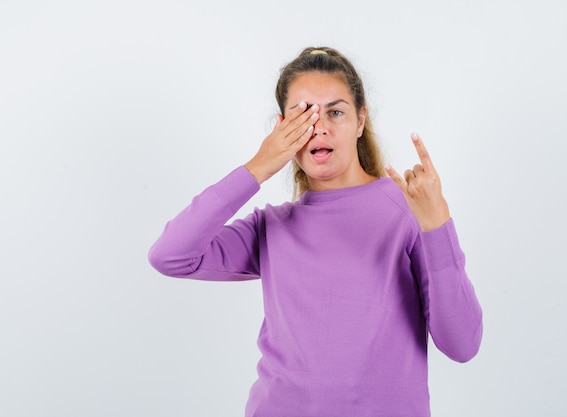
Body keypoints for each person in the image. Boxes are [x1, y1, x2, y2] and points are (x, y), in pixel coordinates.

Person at [148, 46, 483, 417]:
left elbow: (462, 344)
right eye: (303, 114)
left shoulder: (407, 209)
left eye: (335, 112)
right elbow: (170, 255)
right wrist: (259, 166)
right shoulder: (271, 226)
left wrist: (437, 227)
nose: (319, 126)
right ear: (282, 130)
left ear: (360, 120)